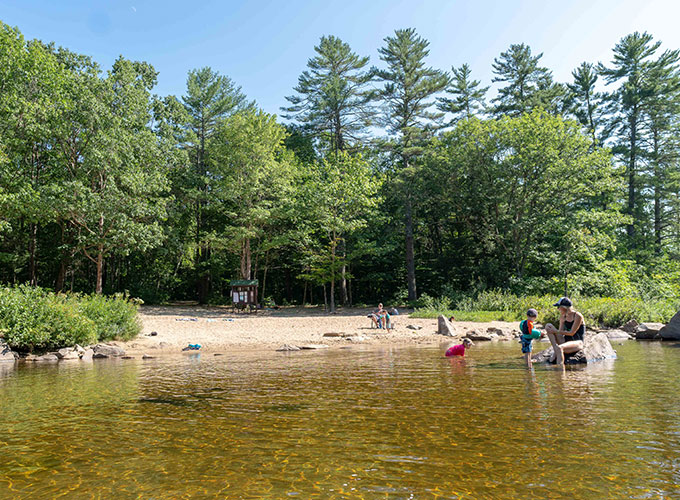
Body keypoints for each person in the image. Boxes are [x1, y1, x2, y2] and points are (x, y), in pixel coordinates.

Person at [544, 297, 585, 365]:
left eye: (559, 307)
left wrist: (556, 331)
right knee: (548, 325)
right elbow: (560, 332)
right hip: (565, 341)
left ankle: (560, 371)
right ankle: (555, 350)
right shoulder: (563, 316)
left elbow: (572, 333)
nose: (558, 309)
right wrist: (560, 324)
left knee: (560, 348)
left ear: (564, 307)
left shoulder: (577, 316)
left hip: (577, 342)